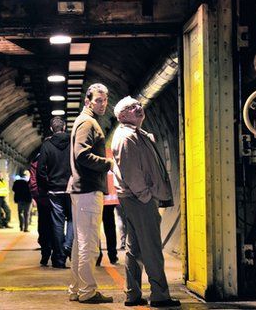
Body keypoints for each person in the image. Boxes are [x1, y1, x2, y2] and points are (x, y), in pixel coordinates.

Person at [111, 96, 180, 308]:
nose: (138, 108)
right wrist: (145, 195)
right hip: (138, 199)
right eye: (132, 108)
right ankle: (159, 295)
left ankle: (132, 294)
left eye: (138, 105)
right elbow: (131, 171)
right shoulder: (126, 138)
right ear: (122, 116)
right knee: (151, 248)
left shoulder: (136, 135)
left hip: (135, 198)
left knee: (136, 248)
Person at [67, 83, 114, 304]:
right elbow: (81, 155)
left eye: (105, 100)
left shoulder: (84, 120)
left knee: (80, 242)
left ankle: (76, 289)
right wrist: (108, 163)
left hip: (80, 189)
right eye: (98, 100)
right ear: (88, 101)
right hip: (87, 189)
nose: (103, 104)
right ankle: (88, 291)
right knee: (89, 243)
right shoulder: (88, 122)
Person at [37, 116, 73, 269]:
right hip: (72, 189)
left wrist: (47, 184)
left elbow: (40, 170)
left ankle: (59, 259)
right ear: (64, 127)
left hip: (54, 190)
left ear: (52, 129)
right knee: (72, 219)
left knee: (57, 224)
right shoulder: (73, 143)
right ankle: (68, 246)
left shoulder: (46, 145)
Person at [29, 153, 53, 265]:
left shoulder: (36, 162)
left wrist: (37, 196)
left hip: (43, 199)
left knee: (43, 225)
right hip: (57, 197)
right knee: (57, 224)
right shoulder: (62, 156)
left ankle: (46, 252)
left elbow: (33, 183)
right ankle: (58, 253)